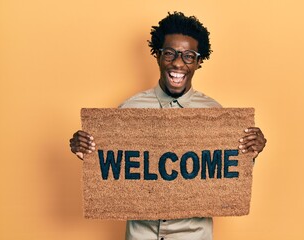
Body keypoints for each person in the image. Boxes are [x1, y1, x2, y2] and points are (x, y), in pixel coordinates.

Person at [70, 11, 267, 240]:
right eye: (170, 54)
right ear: (158, 55)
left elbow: (225, 172)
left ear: (199, 62)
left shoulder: (215, 114)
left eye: (188, 56)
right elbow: (111, 166)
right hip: (140, 233)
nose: (177, 63)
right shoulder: (130, 109)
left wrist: (252, 151)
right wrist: (85, 150)